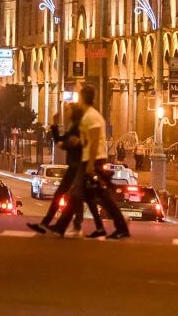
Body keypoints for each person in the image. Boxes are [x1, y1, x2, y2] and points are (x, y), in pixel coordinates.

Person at [46, 85, 130, 239]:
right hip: (90, 160)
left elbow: (93, 141)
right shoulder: (89, 116)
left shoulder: (91, 116)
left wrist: (90, 164)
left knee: (81, 194)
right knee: (88, 195)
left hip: (93, 160)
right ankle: (62, 227)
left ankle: (121, 226)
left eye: (79, 95)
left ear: (83, 97)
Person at [28, 103, 105, 237]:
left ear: (74, 113)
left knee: (77, 197)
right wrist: (55, 125)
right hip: (75, 166)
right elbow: (61, 142)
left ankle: (56, 225)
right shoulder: (73, 126)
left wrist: (66, 141)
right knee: (83, 197)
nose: (66, 112)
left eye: (68, 110)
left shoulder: (78, 127)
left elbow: (63, 144)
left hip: (78, 166)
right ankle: (51, 224)